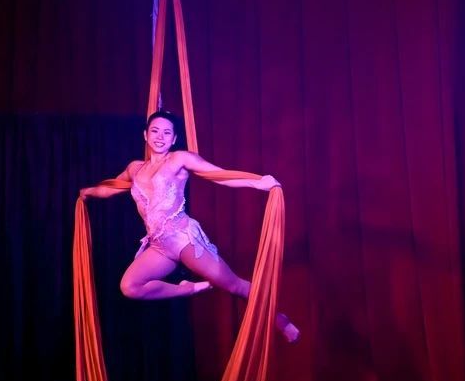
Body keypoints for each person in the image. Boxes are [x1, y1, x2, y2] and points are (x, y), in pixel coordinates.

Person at [80, 110, 300, 343]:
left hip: (183, 240)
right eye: (155, 131)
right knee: (130, 286)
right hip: (158, 247)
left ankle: (279, 319)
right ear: (145, 135)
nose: (160, 137)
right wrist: (89, 193)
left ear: (174, 139)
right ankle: (185, 289)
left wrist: (258, 183)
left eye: (167, 133)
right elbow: (112, 188)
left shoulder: (179, 159)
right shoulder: (135, 169)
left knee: (234, 285)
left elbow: (218, 175)